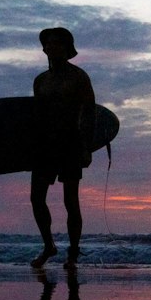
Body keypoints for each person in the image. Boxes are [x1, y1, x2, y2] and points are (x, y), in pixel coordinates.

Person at [30, 27, 97, 269]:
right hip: (44, 144)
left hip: (70, 141)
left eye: (58, 43)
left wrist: (87, 147)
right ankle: (49, 245)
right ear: (44, 48)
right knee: (36, 198)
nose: (52, 47)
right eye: (49, 43)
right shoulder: (40, 81)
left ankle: (73, 253)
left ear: (67, 49)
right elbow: (36, 116)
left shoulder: (79, 77)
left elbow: (89, 113)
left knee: (71, 201)